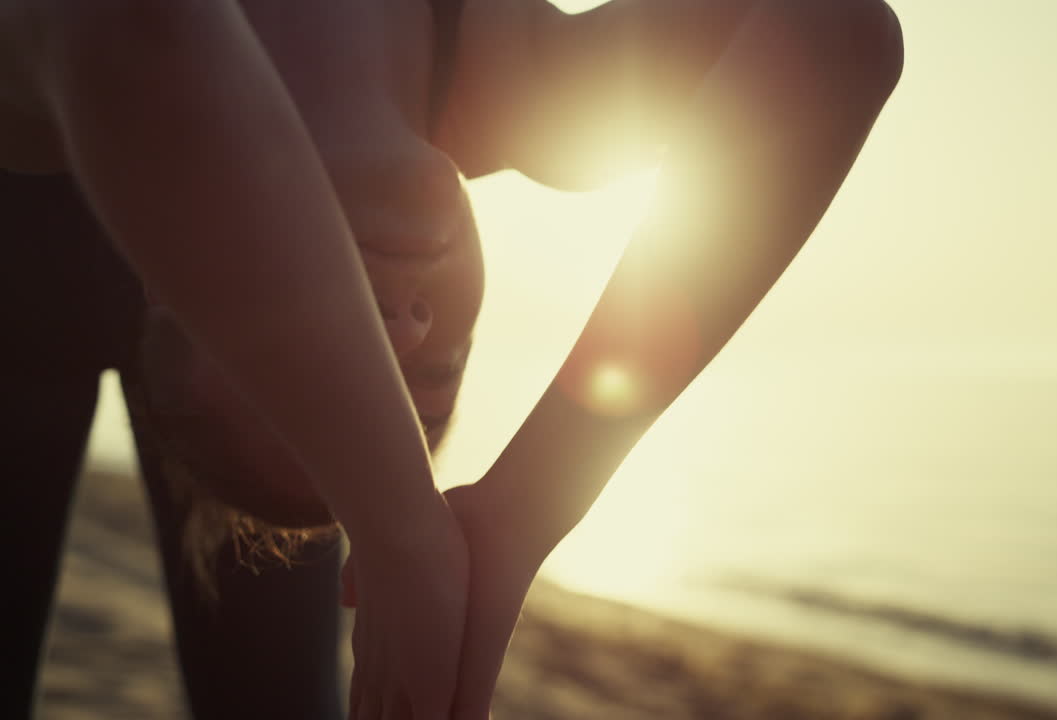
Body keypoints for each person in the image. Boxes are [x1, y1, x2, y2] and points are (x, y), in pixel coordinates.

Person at [0, 1, 903, 718]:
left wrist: (398, 529)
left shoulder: (71, 78)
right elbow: (840, 38)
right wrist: (522, 514)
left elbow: (133, 24)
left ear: (168, 278)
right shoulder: (508, 82)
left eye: (339, 377)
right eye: (431, 376)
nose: (399, 330)